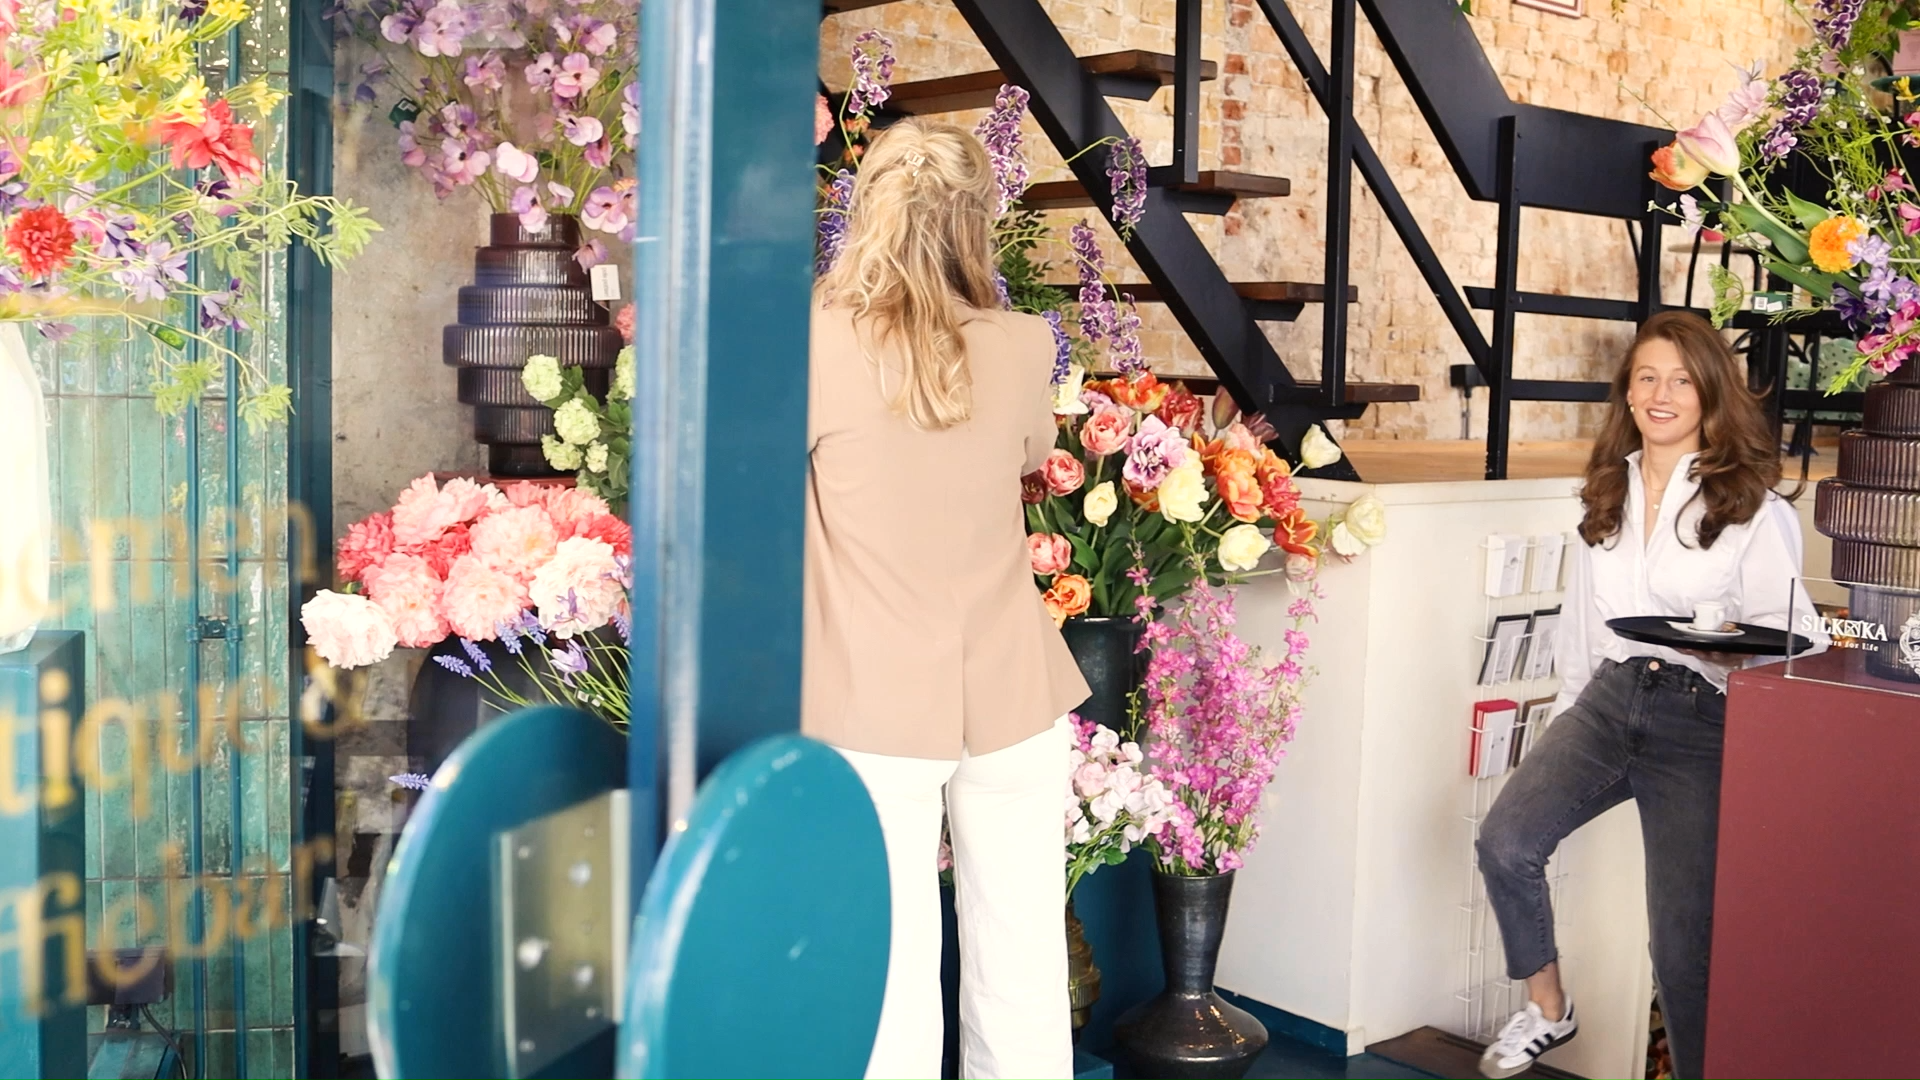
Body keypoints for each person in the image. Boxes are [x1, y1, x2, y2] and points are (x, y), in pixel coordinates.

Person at [803, 117, 1090, 1080]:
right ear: (977, 223)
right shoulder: (1020, 344)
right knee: (1022, 965)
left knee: (887, 974)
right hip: (1012, 694)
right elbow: (1028, 458)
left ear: (865, 211)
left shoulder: (812, 341)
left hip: (871, 701)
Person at [1475, 311, 1812, 1080]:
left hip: (1701, 714)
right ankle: (1551, 1011)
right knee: (1507, 840)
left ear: (1709, 396)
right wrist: (1562, 731)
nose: (1662, 394)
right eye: (1648, 377)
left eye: (1682, 380)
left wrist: (1719, 646)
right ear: (1627, 393)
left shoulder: (1752, 506)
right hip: (1608, 697)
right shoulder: (1604, 493)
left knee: (1683, 948)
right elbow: (1580, 631)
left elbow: (1800, 639)